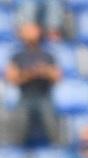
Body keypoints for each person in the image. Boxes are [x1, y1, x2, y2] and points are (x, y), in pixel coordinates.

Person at [7, 21, 60, 150]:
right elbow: (11, 79)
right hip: (25, 97)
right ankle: (16, 154)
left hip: (44, 96)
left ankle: (56, 151)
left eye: (34, 29)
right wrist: (29, 74)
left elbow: (57, 77)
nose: (32, 33)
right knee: (20, 125)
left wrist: (45, 72)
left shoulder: (48, 55)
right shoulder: (17, 56)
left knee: (52, 123)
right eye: (28, 30)